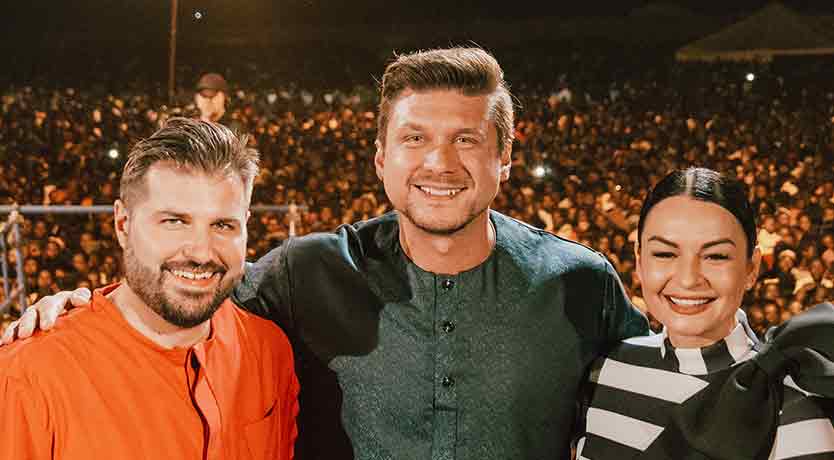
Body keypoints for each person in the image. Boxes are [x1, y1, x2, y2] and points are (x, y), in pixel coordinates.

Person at [3, 47, 648, 460]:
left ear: (504, 157)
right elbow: (188, 290)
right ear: (380, 158)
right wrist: (83, 309)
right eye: (414, 137)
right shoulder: (305, 272)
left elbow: (670, 388)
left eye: (467, 139)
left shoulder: (581, 284)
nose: (439, 162)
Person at [0, 118, 299, 459]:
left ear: (245, 226)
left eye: (222, 224)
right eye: (174, 221)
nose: (201, 252)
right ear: (123, 224)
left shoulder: (270, 351)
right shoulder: (27, 378)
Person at [576, 168, 834, 459]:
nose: (688, 279)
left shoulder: (792, 409)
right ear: (639, 260)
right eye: (664, 253)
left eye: (716, 256)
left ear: (752, 267)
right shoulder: (606, 369)